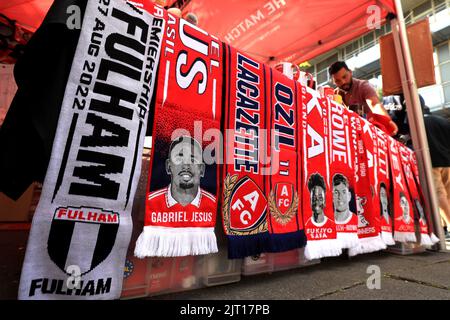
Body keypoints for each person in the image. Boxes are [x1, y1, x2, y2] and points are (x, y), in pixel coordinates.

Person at [329, 61, 398, 135]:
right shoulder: (335, 95)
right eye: (338, 81)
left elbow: (374, 104)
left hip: (371, 130)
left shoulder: (363, 86)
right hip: (351, 132)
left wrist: (387, 121)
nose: (343, 82)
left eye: (344, 77)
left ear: (350, 72)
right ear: (334, 82)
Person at [148, 136, 216, 207]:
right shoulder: (151, 202)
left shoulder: (214, 204)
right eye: (179, 158)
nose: (186, 164)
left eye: (193, 159)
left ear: (202, 169)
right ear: (168, 166)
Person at [422, 106, 450, 238]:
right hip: (447, 161)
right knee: (448, 194)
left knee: (439, 195)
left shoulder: (418, 121)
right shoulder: (442, 120)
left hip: (432, 162)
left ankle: (448, 225)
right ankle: (444, 227)